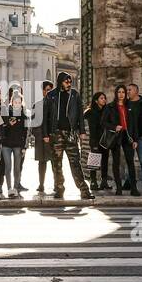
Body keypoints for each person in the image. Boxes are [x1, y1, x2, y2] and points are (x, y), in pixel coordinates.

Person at [42, 71, 94, 200]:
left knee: (75, 163)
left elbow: (80, 115)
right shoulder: (51, 95)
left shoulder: (75, 95)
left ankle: (84, 190)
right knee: (56, 164)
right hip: (56, 133)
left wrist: (81, 131)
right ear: (61, 82)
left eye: (70, 81)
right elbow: (45, 116)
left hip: (70, 133)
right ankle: (59, 189)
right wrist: (45, 134)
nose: (69, 84)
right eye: (67, 81)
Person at [100, 84, 139, 197]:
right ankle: (119, 188)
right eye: (119, 92)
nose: (121, 94)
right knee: (116, 163)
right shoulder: (110, 107)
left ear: (125, 94)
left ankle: (134, 188)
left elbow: (134, 124)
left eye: (123, 92)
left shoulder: (130, 106)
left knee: (130, 162)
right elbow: (103, 122)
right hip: (116, 136)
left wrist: (135, 139)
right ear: (116, 94)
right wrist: (114, 127)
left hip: (128, 136)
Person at [0, 86, 28, 199]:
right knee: (8, 167)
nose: (17, 104)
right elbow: (2, 128)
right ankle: (9, 188)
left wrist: (25, 147)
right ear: (12, 102)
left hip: (18, 145)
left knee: (17, 168)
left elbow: (26, 133)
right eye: (15, 102)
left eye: (19, 102)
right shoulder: (7, 113)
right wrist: (8, 125)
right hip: (6, 144)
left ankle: (15, 188)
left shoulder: (23, 115)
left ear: (21, 103)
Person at [30, 79, 54, 195]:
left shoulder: (56, 104)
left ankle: (57, 184)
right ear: (43, 91)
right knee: (42, 163)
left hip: (54, 138)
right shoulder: (37, 105)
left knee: (55, 163)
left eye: (51, 90)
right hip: (41, 139)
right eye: (47, 90)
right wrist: (42, 136)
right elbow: (34, 124)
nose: (49, 92)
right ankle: (41, 184)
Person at [84, 91, 111, 194]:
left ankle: (104, 181)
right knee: (94, 161)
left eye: (104, 98)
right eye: (101, 98)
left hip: (105, 139)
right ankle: (93, 181)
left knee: (105, 161)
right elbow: (88, 126)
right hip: (95, 140)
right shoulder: (90, 112)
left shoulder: (107, 111)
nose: (104, 100)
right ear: (96, 100)